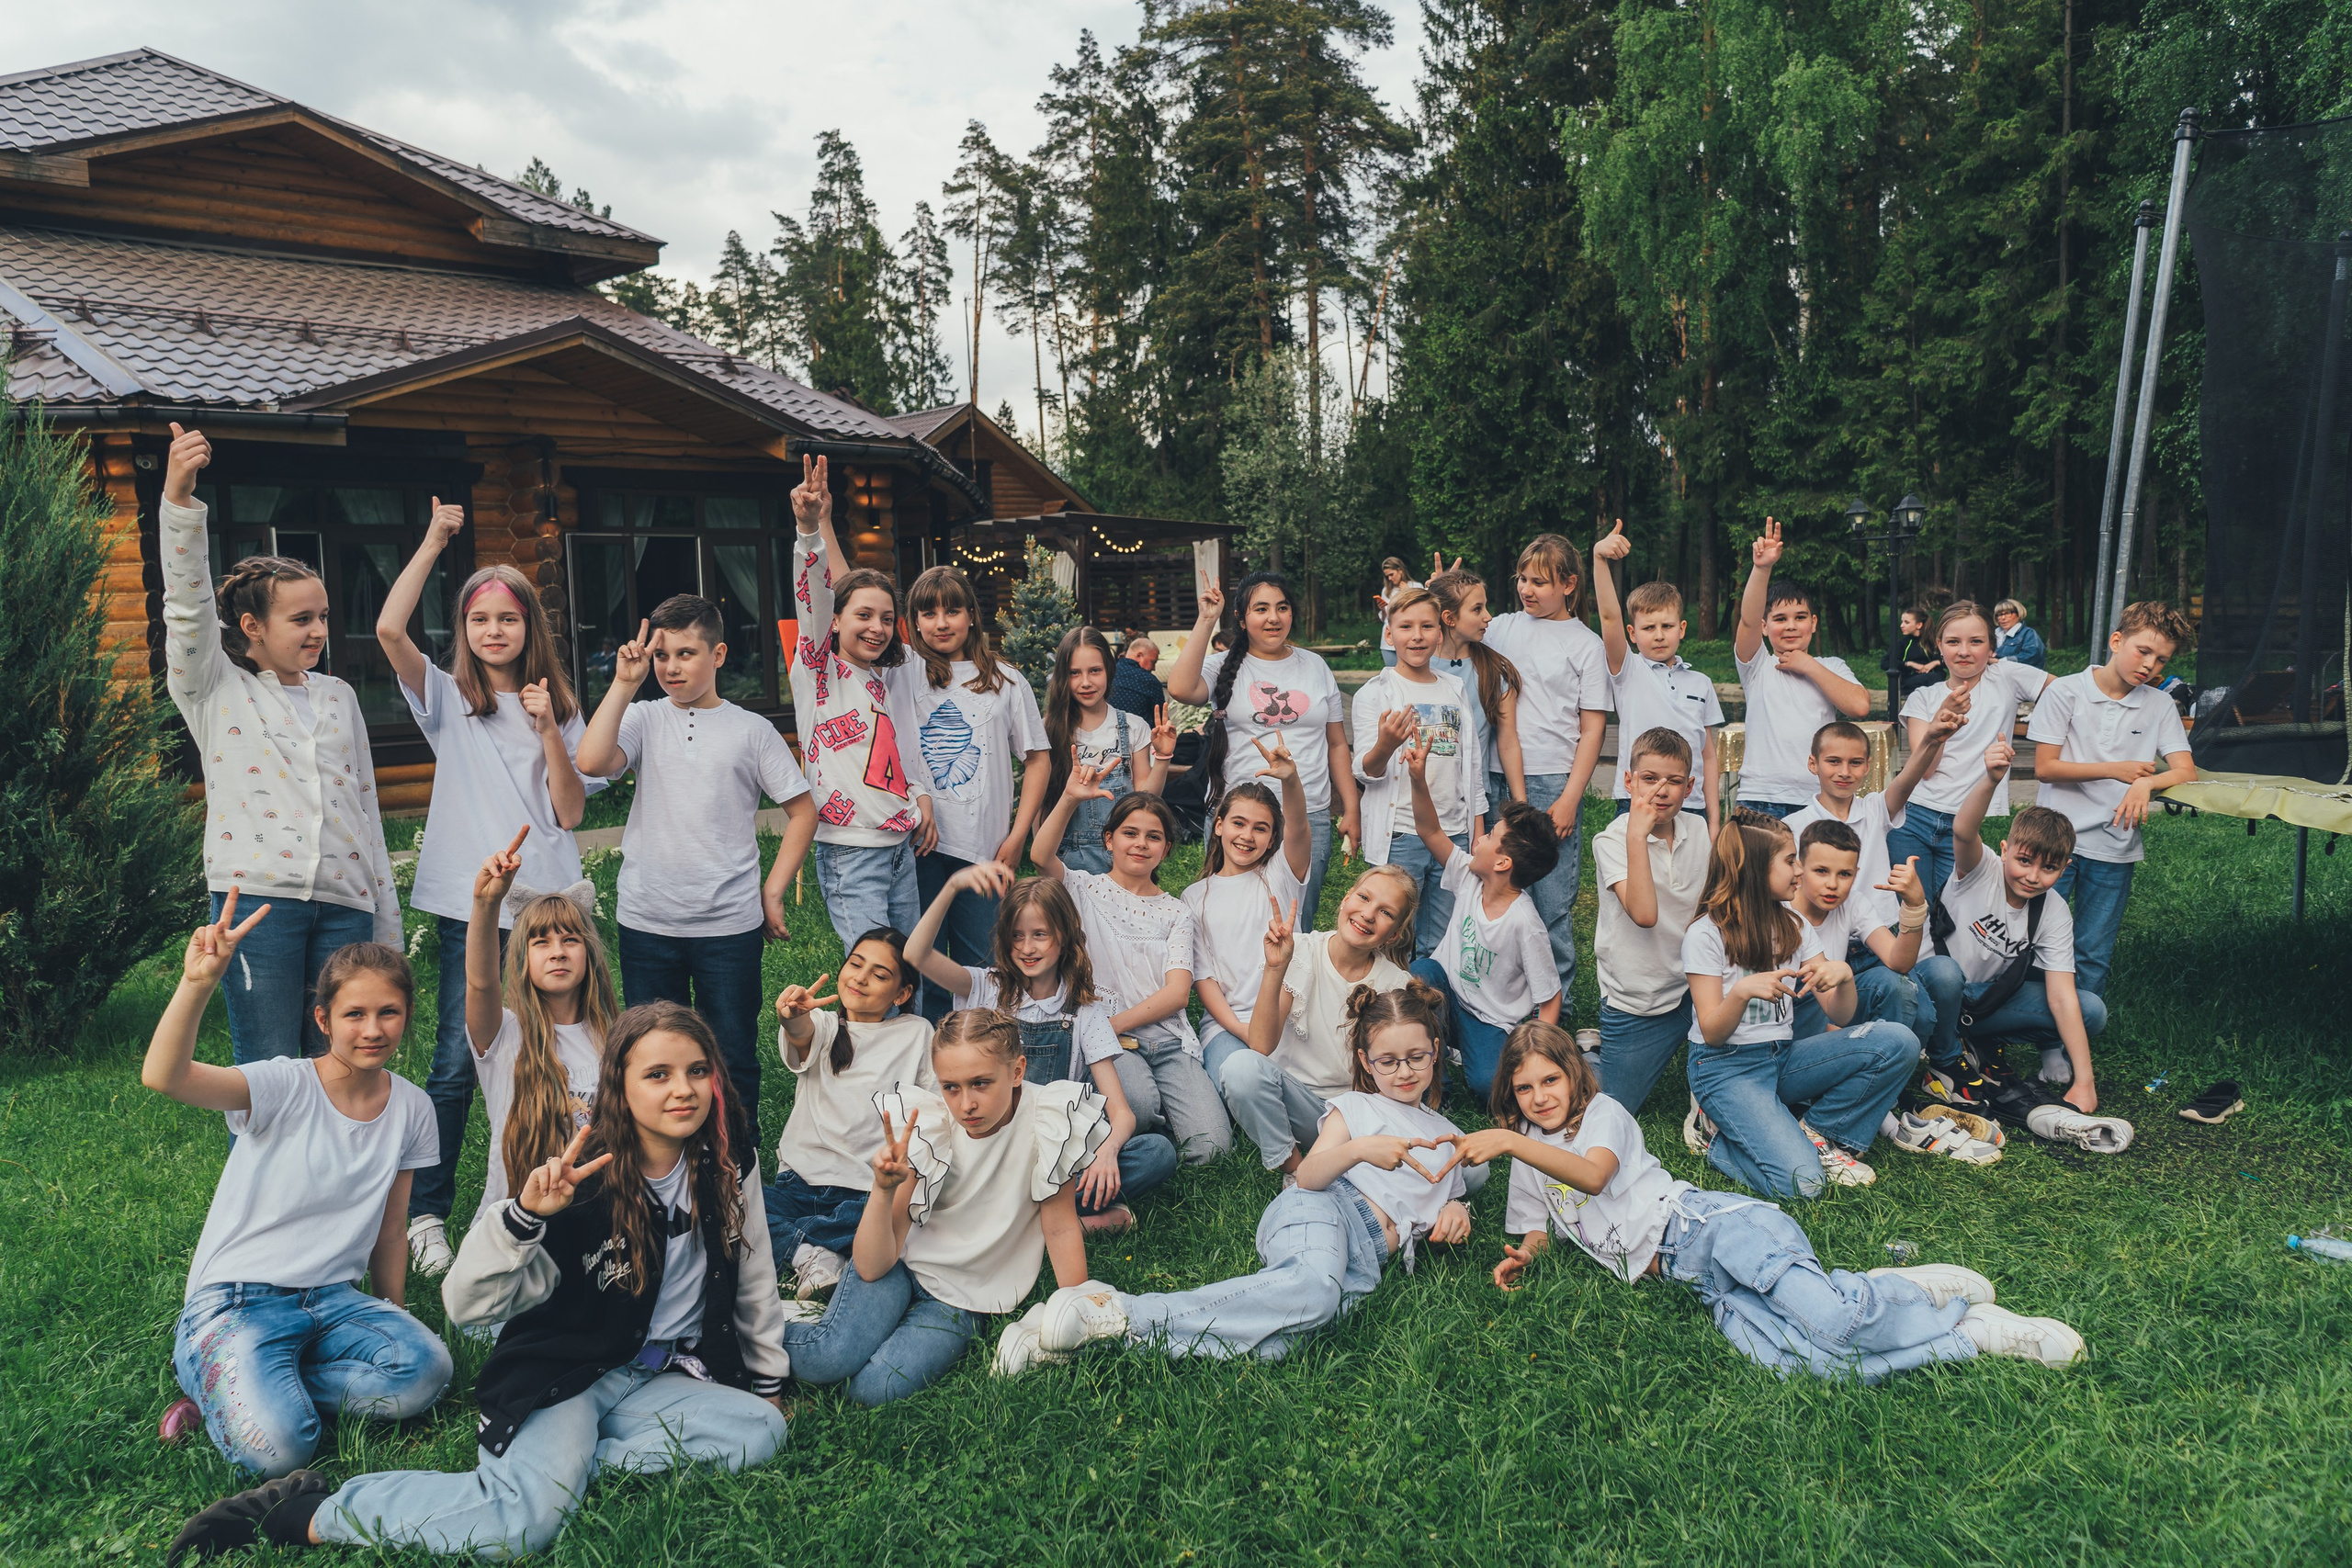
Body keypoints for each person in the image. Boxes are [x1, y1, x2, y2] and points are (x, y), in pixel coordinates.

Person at [167, 1002, 790, 1561]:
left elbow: (754, 1274)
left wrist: (766, 1380)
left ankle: (563, 1466)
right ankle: (304, 1512)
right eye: (657, 1074)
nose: (683, 1089)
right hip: (565, 1378)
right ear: (619, 1089)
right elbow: (466, 1305)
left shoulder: (728, 1161)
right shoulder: (578, 1183)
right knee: (517, 1525)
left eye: (697, 1070)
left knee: (761, 1429)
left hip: (654, 1375)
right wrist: (523, 1218)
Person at [1473, 1022, 2084, 1373]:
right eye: (1525, 1087)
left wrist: (1506, 1140)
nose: (1540, 1096)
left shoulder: (1600, 1115)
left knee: (1837, 1323)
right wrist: (1527, 1254)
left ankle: (1936, 1308)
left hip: (1710, 1228)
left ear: (1575, 1075)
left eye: (1550, 1079)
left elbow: (1593, 1176)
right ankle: (1957, 1331)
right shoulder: (1528, 1145)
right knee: (1807, 1363)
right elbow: (1539, 1222)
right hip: (1698, 1279)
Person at [995, 982, 1471, 1371]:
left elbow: (1453, 1191)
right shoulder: (1357, 1106)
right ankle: (1117, 1310)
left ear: (1435, 1052)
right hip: (1324, 1209)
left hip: (1367, 1259)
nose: (1404, 1071)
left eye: (1416, 1058)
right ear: (1367, 1063)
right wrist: (1360, 1150)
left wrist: (1455, 1208)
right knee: (1312, 1293)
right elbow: (1308, 1177)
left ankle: (1058, 1342)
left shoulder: (1452, 1137)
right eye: (1388, 1061)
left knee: (1279, 1341)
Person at [376, 504, 601, 1278]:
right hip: (468, 905)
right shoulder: (447, 701)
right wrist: (435, 540)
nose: (494, 632)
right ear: (465, 629)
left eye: (508, 619)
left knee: (556, 1055)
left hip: (547, 911)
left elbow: (570, 810)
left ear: (529, 627)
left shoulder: (560, 711)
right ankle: (428, 1212)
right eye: (479, 619)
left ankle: (558, 1189)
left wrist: (546, 729)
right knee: (452, 1060)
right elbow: (388, 632)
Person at [147, 909, 450, 1476]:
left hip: (332, 1300)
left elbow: (392, 1224)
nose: (373, 1029)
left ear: (407, 1016)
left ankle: (245, 1388)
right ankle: (221, 1377)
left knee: (426, 1371)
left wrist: (394, 1317)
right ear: (324, 1019)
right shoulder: (282, 1084)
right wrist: (197, 983)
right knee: (283, 1450)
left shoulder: (413, 1108)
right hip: (237, 1299)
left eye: (389, 1012)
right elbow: (166, 1075)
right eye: (353, 1014)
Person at [154, 423, 401, 1066]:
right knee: (266, 1071)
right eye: (301, 619)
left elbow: (366, 812)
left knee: (343, 1068)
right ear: (251, 626)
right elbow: (185, 608)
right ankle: (262, 1171)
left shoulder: (339, 696)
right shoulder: (216, 689)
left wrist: (386, 925)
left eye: (322, 616)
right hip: (258, 903)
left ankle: (337, 1173)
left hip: (347, 907)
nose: (318, 629)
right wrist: (179, 497)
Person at [576, 594, 817, 1158]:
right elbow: (590, 762)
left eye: (686, 653)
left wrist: (773, 892)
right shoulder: (641, 716)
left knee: (729, 1051)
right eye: (662, 656)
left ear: (719, 654)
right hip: (647, 920)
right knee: (651, 1051)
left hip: (727, 926)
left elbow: (802, 810)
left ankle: (736, 1162)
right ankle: (660, 1159)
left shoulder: (751, 730)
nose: (671, 667)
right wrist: (624, 684)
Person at [787, 1010, 1106, 1403]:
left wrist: (1074, 1313)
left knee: (873, 1391)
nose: (966, 1103)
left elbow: (1059, 1227)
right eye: (950, 1087)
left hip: (967, 1297)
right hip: (899, 1268)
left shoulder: (1049, 1121)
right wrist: (883, 1190)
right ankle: (750, 1332)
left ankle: (827, 1321)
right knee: (827, 1357)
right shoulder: (931, 1127)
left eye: (981, 1084)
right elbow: (873, 1265)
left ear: (1018, 1070)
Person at [903, 868, 1173, 1233]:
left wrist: (1107, 1153)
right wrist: (952, 885)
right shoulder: (985, 987)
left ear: (1064, 937)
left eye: (1039, 935)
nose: (1027, 948)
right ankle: (1064, 1225)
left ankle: (1014, 1222)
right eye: (1017, 937)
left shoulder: (1085, 1012)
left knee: (1157, 1153)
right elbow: (916, 954)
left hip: (1048, 1153)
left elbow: (1121, 1113)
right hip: (983, 1145)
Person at [1681, 813, 1918, 1198]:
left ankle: (1820, 1132)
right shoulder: (1706, 933)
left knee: (1897, 1041)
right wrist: (1741, 992)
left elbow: (1839, 1014)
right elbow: (1711, 1032)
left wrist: (1842, 978)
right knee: (1802, 1185)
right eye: (1790, 861)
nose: (1799, 870)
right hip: (1725, 1068)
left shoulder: (1795, 925)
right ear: (1754, 869)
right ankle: (1711, 1136)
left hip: (1782, 1058)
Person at [781, 453, 938, 956]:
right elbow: (817, 598)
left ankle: (910, 1038)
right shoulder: (817, 668)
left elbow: (888, 755)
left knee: (907, 969)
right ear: (837, 622)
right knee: (872, 974)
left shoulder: (882, 678)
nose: (876, 627)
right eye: (863, 615)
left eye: (887, 618)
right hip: (851, 852)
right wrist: (811, 530)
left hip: (899, 849)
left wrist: (917, 798)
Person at [1035, 785, 1231, 1166]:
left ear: (1166, 849)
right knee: (1137, 1108)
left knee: (1213, 1150)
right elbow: (1040, 855)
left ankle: (1157, 1125)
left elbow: (1177, 995)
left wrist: (1111, 1024)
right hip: (1110, 1044)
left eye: (1153, 837)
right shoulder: (1083, 889)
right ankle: (1149, 1127)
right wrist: (1071, 798)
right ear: (1109, 839)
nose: (1141, 844)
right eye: (1130, 833)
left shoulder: (1176, 912)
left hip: (1167, 1041)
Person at [1913, 741, 2107, 1113]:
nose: (2033, 876)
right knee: (1946, 973)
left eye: (2048, 868)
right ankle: (1946, 1059)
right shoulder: (1980, 869)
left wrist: (2085, 1082)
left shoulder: (2053, 911)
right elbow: (1964, 830)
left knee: (2091, 1009)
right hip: (1929, 988)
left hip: (1980, 1002)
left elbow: (2062, 997)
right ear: (2004, 850)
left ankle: (1980, 1043)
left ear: (2063, 869)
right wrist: (1990, 779)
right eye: (2024, 860)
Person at [1168, 572, 1359, 930]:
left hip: (1308, 814)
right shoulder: (1224, 665)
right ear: (1241, 619)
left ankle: (1287, 987)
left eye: (1282, 608)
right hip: (1240, 814)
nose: (1273, 617)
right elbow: (1180, 687)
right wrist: (1207, 619)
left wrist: (1351, 807)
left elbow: (1336, 744)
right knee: (1232, 919)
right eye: (1261, 609)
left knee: (1294, 920)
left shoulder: (1315, 666)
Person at [2027, 601, 2197, 999]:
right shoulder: (2065, 692)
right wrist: (2115, 770)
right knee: (2032, 940)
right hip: (2053, 840)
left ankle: (2075, 1040)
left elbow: (2186, 770)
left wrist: (2145, 786)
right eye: (2144, 652)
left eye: (2161, 661)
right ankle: (2033, 1032)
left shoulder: (2158, 704)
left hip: (2114, 844)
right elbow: (2046, 768)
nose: (2150, 667)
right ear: (2116, 640)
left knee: (2092, 951)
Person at [459, 829, 619, 1246]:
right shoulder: (505, 1034)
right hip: (519, 1228)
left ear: (590, 953)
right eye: (541, 941)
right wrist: (485, 902)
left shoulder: (617, 1038)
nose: (558, 951)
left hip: (605, 1219)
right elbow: (479, 983)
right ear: (521, 956)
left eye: (571, 939)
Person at [907, 565, 1051, 1020]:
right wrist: (820, 527)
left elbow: (1037, 759)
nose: (941, 623)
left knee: (983, 969)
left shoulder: (1007, 681)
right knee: (922, 966)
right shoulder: (904, 675)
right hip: (918, 846)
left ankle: (981, 1057)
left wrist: (1018, 835)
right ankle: (928, 1063)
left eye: (953, 610)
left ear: (972, 615)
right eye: (927, 613)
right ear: (913, 621)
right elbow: (851, 597)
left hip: (985, 851)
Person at [765, 929, 933, 1304]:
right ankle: (813, 1254)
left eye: (879, 974)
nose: (860, 977)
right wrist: (790, 1015)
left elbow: (933, 1109)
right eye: (855, 964)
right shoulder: (823, 1025)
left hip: (865, 1191)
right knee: (732, 1204)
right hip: (799, 1184)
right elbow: (799, 1032)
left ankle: (804, 1244)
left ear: (902, 994)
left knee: (904, 1228)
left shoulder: (916, 1032)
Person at [1228, 865, 1420, 1177]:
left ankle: (1341, 1159)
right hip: (1293, 1100)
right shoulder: (1301, 950)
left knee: (1459, 1169)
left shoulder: (1394, 983)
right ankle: (1295, 1169)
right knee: (1240, 1069)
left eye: (1385, 912)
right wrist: (1276, 968)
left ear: (1394, 934)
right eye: (1363, 897)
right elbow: (1260, 1044)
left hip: (1354, 1113)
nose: (1368, 914)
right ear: (1345, 900)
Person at [1402, 742, 1564, 1101]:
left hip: (1489, 1021)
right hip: (1445, 993)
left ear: (1503, 863)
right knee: (1420, 972)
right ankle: (1433, 1078)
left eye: (1490, 836)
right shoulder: (1470, 878)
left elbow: (1550, 999)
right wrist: (1418, 778)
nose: (1481, 838)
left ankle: (1459, 1050)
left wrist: (1536, 1056)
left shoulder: (1525, 923)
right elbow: (1431, 832)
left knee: (1490, 1088)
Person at [1482, 535, 1611, 983]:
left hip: (1552, 782)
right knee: (1494, 888)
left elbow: (1593, 729)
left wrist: (1570, 799)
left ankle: (1555, 1001)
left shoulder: (1585, 645)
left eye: (1539, 581)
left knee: (1550, 900)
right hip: (1496, 777)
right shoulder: (1500, 627)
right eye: (1522, 578)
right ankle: (1499, 991)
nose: (1526, 589)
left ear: (1570, 584)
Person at [1782, 713, 1955, 1031]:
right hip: (1821, 945)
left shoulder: (1875, 808)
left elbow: (1909, 779)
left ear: (1868, 766)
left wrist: (1932, 739)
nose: (1844, 772)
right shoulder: (1793, 826)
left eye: (1855, 763)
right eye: (1833, 761)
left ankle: (1937, 1056)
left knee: (1925, 1011)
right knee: (1843, 1015)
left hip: (1877, 938)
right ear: (1813, 764)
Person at [1352, 584, 1489, 958]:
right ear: (1389, 633)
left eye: (1427, 627)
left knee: (1443, 942)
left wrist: (1476, 831)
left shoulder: (1455, 688)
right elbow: (1366, 771)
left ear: (1440, 632)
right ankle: (1385, 1010)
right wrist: (1385, 745)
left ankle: (1431, 1011)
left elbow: (1472, 765)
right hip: (1400, 836)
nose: (1417, 636)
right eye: (1406, 627)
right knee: (1390, 938)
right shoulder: (1375, 693)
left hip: (1453, 835)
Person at [1887, 601, 2055, 901]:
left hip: (1968, 822)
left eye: (1976, 641)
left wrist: (2049, 740)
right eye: (1953, 642)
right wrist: (1942, 718)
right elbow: (1925, 770)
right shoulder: (1923, 697)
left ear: (1992, 646)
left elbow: (2065, 694)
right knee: (1913, 913)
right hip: (1913, 818)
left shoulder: (2005, 677)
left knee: (1956, 915)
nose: (1964, 651)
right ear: (1939, 646)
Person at [1183, 738, 1312, 1112]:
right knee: (1232, 1079)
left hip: (1289, 1017)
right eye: (1238, 823)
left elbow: (1300, 829)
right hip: (1228, 1025)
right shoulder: (1194, 897)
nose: (1247, 836)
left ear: (1273, 838)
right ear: (1219, 825)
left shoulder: (1280, 874)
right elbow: (1203, 979)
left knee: (1288, 1084)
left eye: (1261, 829)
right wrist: (1246, 1034)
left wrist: (1290, 780)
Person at [1591, 728, 1711, 1115]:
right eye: (1649, 779)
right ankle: (1587, 1056)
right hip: (1639, 994)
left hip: (1697, 983)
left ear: (1690, 786)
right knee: (1616, 1105)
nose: (1661, 790)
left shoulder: (1699, 830)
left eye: (1674, 781)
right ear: (1628, 781)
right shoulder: (1611, 841)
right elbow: (1644, 915)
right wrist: (1636, 838)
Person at [1732, 518, 1871, 819]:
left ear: (1814, 623)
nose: (1791, 626)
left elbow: (1859, 706)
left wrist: (1808, 665)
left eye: (1800, 617)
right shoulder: (1758, 666)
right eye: (1780, 619)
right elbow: (1747, 620)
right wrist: (1762, 569)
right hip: (1759, 798)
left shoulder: (1832, 667)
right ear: (1765, 627)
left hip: (1818, 799)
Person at [1593, 520, 1724, 832]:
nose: (1659, 635)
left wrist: (1715, 818)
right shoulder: (1628, 670)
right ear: (1633, 634)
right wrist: (1600, 561)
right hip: (1637, 798)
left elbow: (1708, 758)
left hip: (1691, 806)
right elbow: (1609, 617)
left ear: (1681, 629)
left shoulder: (1701, 684)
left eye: (1666, 626)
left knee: (1691, 881)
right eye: (1648, 628)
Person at [1043, 626, 1176, 874]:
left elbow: (1145, 798)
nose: (1086, 682)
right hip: (1067, 865)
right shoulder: (1049, 730)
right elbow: (1043, 808)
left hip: (1123, 862)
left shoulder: (1133, 726)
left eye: (1095, 671)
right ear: (1063, 676)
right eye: (1074, 673)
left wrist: (1163, 757)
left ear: (1109, 670)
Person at [1787, 820, 1933, 1041]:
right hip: (1790, 1013)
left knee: (1895, 983)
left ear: (1856, 873)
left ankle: (1885, 1058)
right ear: (1799, 869)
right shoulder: (1781, 910)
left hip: (1835, 1004)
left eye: (1844, 874)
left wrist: (1914, 906)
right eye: (1821, 871)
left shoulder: (1853, 903)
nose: (1832, 884)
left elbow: (1899, 962)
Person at [1426, 567, 1528, 814]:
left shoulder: (1495, 669)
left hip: (1478, 798)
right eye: (1477, 609)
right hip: (1424, 794)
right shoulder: (1419, 665)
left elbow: (1507, 740)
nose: (1488, 616)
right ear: (1449, 618)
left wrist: (1521, 804)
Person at [1374, 557, 1422, 668]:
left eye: (1391, 574)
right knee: (1391, 675)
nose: (1390, 578)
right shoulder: (1386, 591)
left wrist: (1408, 592)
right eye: (1387, 576)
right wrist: (1382, 609)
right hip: (1388, 641)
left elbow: (1421, 612)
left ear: (1400, 570)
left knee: (1411, 674)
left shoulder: (1416, 586)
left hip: (1409, 639)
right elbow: (1384, 619)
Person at [1109, 633, 1168, 723]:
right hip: (1141, 734)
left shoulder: (1109, 673)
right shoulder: (1150, 681)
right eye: (1153, 662)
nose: (1154, 668)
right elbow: (1160, 718)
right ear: (1139, 656)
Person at [1889, 607, 1944, 701]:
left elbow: (1949, 660)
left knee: (1937, 677)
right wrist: (1910, 664)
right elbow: (1885, 662)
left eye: (1906, 622)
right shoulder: (1902, 643)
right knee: (1934, 678)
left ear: (1919, 625)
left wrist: (1935, 663)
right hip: (1910, 681)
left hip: (1934, 680)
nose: (1901, 625)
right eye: (1902, 622)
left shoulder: (1933, 642)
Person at [1994, 600, 2048, 669]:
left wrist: (2001, 662)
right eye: (2000, 614)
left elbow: (2032, 655)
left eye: (2007, 613)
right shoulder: (1993, 635)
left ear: (2018, 614)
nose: (2003, 618)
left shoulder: (2028, 633)